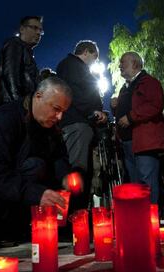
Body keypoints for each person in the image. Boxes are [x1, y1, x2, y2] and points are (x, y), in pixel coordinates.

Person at [0, 77, 72, 244]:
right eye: (56, 109)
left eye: (63, 112)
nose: (59, 117)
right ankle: (4, 227)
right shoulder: (5, 119)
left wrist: (66, 176)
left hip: (12, 190)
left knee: (41, 167)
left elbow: (59, 156)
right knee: (35, 166)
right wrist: (37, 194)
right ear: (38, 96)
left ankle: (22, 225)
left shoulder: (49, 126)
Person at [56, 40, 107, 209]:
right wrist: (93, 111)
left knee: (80, 169)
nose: (95, 61)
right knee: (77, 170)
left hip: (79, 122)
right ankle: (74, 214)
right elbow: (77, 94)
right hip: (77, 123)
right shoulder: (72, 66)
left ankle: (77, 213)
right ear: (86, 52)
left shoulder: (71, 66)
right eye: (95, 57)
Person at [114, 51, 164, 203]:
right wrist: (115, 108)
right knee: (136, 185)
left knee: (147, 182)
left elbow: (155, 105)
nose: (120, 66)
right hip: (128, 142)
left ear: (135, 64)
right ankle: (141, 219)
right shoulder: (125, 88)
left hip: (144, 142)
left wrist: (130, 117)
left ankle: (152, 219)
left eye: (123, 62)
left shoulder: (149, 82)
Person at [0, 16, 43, 109]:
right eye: (34, 28)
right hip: (12, 110)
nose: (38, 33)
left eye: (40, 30)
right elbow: (10, 76)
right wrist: (20, 107)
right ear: (22, 29)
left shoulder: (27, 52)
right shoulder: (14, 44)